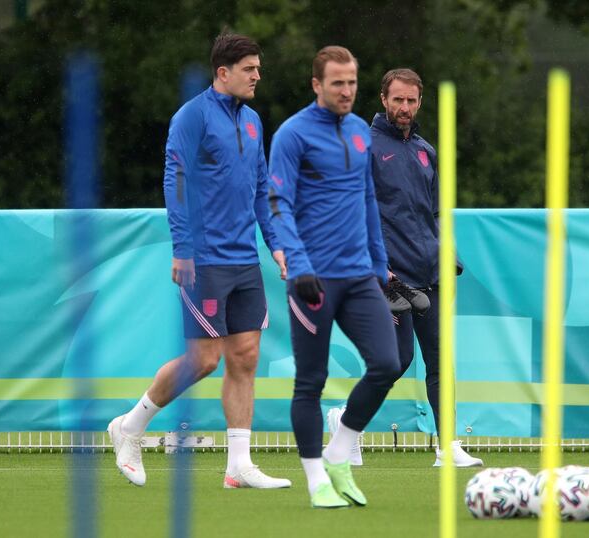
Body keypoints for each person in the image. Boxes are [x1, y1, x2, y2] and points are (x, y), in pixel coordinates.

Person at [106, 33, 291, 490]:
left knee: (245, 358)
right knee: (204, 359)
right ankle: (129, 427)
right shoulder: (191, 116)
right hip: (204, 260)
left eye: (258, 67)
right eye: (249, 68)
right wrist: (182, 248)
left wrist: (277, 242)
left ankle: (239, 467)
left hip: (244, 259)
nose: (257, 75)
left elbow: (261, 185)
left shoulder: (252, 121)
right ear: (223, 72)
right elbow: (176, 180)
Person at [268, 46, 400, 508]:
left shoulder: (361, 131)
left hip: (360, 275)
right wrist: (298, 266)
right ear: (316, 85)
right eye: (337, 83)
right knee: (311, 381)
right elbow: (277, 202)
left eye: (352, 82)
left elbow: (367, 200)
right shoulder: (292, 135)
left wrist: (379, 264)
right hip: (312, 279)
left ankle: (339, 453)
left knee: (388, 364)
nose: (346, 91)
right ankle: (315, 480)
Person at [369, 68, 483, 467]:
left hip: (429, 275)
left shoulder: (425, 151)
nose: (404, 107)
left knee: (439, 361)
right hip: (390, 278)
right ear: (383, 99)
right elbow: (358, 212)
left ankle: (447, 447)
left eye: (411, 101)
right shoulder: (365, 146)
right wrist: (376, 265)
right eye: (397, 99)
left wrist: (446, 257)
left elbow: (433, 215)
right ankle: (345, 424)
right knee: (395, 363)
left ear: (420, 102)